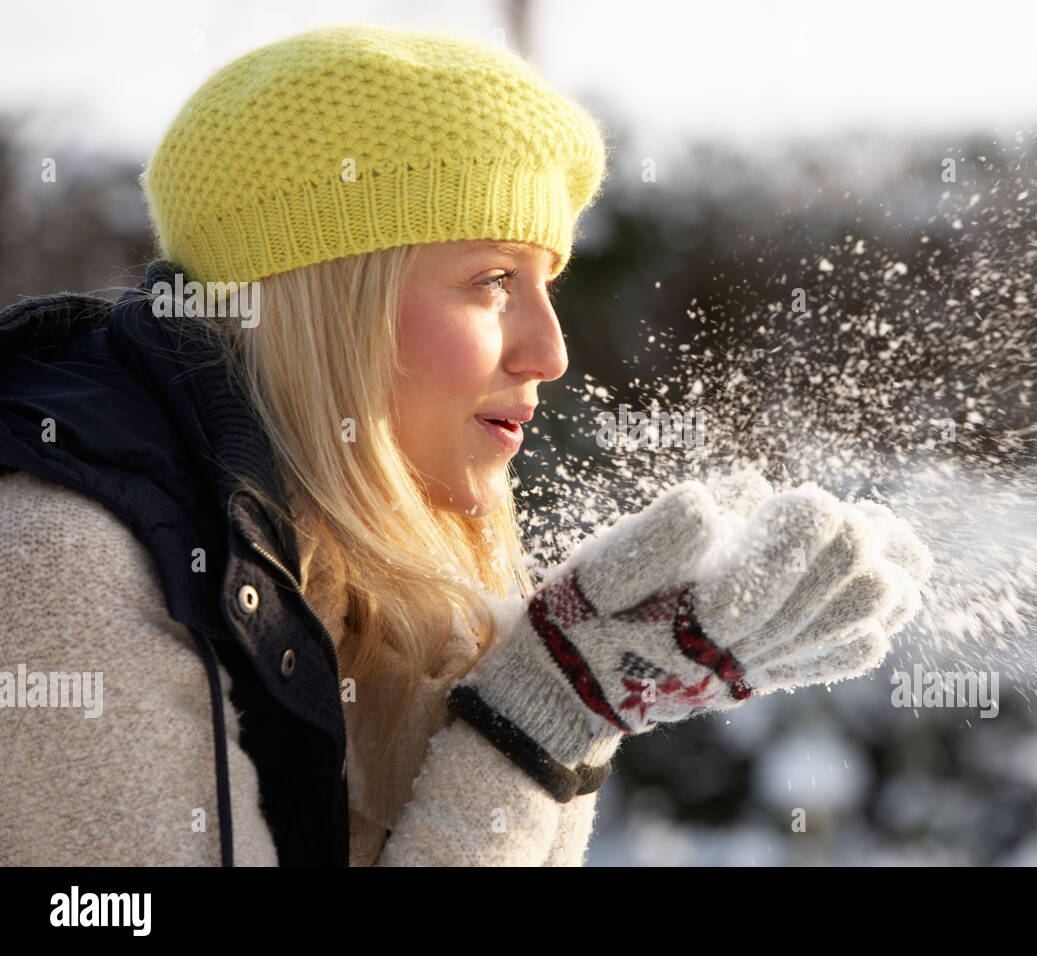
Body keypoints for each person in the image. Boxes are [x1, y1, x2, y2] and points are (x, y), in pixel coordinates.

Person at [0, 24, 932, 866]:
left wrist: (567, 700)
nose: (551, 352)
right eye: (492, 279)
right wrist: (534, 727)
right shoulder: (66, 569)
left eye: (548, 281)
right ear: (330, 305)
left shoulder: (360, 588)